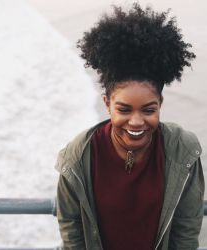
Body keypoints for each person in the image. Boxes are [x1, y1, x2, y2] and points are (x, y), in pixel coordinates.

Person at [55, 3, 205, 250]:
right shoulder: (78, 156)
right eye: (124, 109)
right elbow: (72, 231)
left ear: (160, 104)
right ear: (107, 104)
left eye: (149, 110)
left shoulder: (183, 150)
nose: (136, 122)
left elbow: (186, 232)